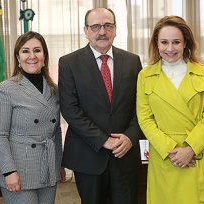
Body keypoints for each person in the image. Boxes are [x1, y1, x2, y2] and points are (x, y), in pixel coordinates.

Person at [58, 8, 143, 204]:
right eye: (95, 26)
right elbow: (70, 110)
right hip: (88, 155)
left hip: (125, 154)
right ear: (86, 30)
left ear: (115, 29)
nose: (102, 31)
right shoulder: (69, 63)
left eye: (108, 26)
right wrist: (104, 140)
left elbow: (141, 106)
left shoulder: (132, 61)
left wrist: (130, 136)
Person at [137, 15, 204, 204]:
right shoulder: (145, 76)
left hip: (198, 154)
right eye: (164, 42)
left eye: (176, 42)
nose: (170, 49)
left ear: (185, 42)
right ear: (156, 43)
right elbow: (145, 119)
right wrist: (172, 150)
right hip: (165, 157)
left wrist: (190, 149)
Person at [0, 31, 65, 204]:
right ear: (18, 57)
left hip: (48, 168)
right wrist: (9, 172)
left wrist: (59, 164)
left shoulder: (54, 89)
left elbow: (57, 131)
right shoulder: (6, 89)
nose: (32, 56)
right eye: (25, 51)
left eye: (37, 50)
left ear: (44, 56)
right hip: (19, 171)